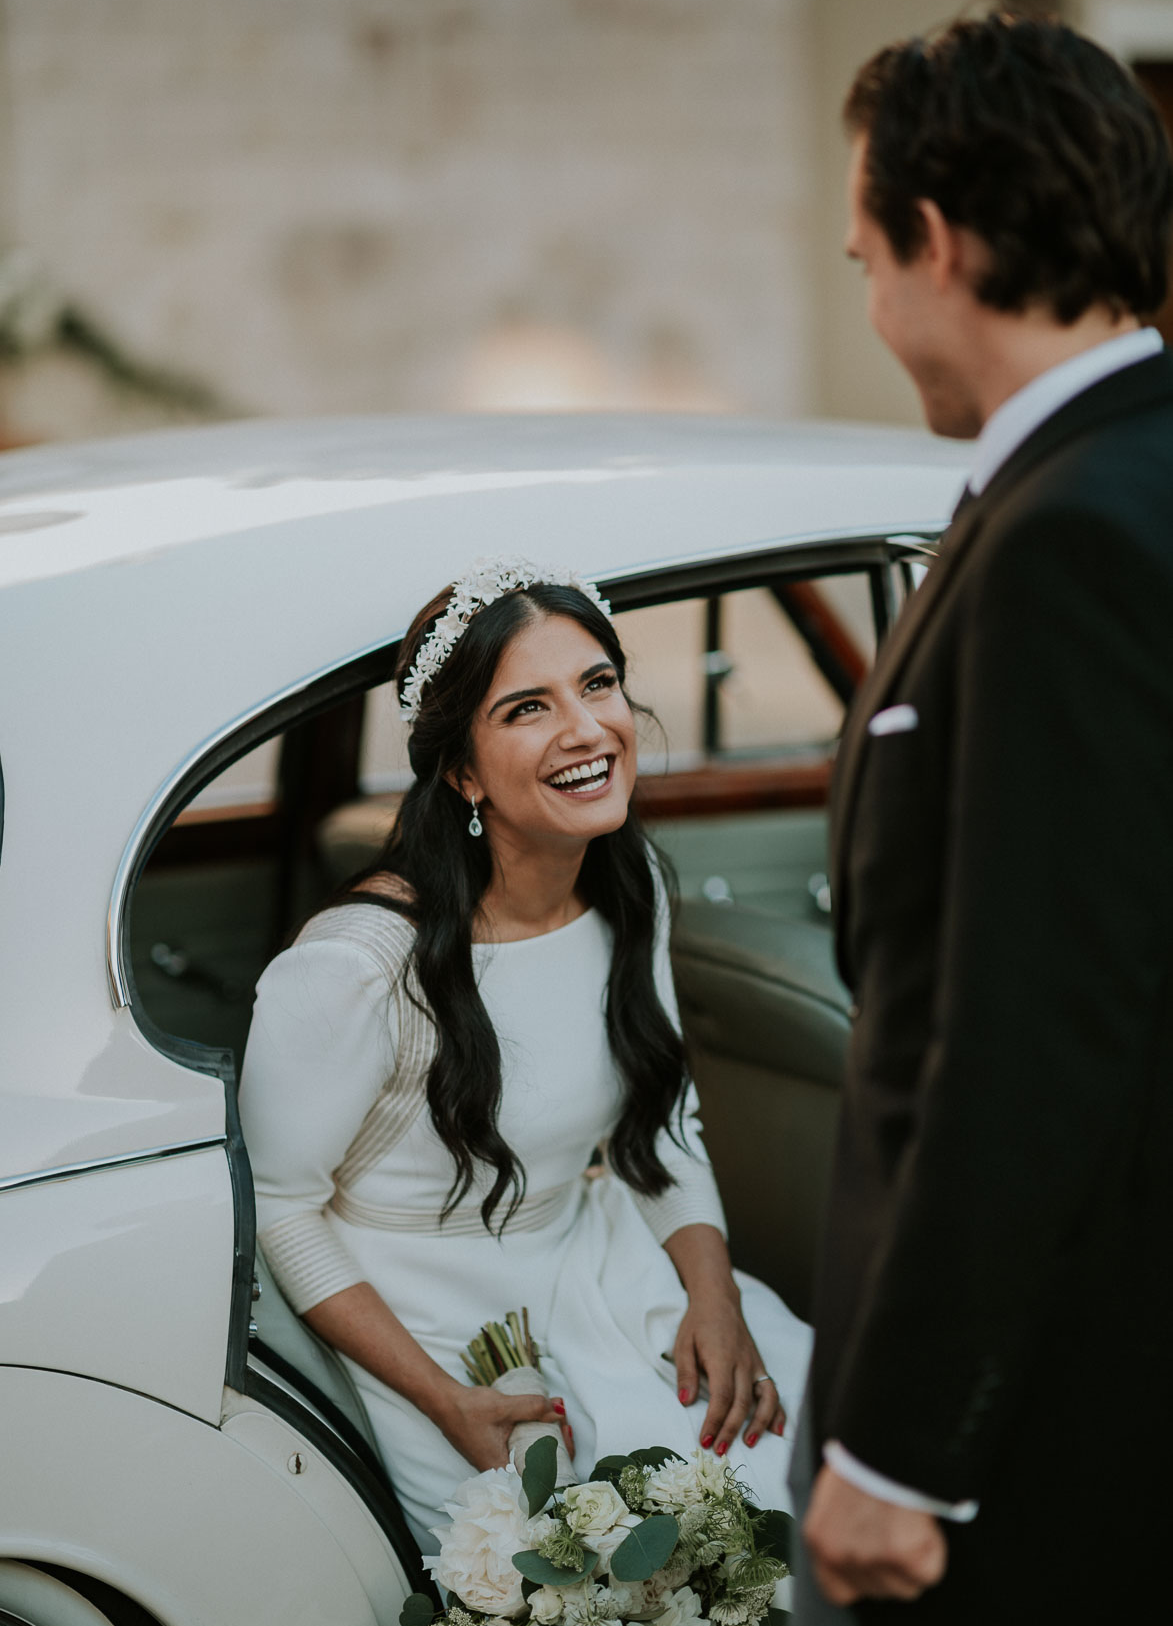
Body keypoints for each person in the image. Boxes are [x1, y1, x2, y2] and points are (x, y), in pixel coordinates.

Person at [790, 12, 1173, 1626]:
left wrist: (897, 1446)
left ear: (936, 244)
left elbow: (1025, 1031)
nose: (868, 299)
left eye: (866, 253)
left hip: (1053, 1416)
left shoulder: (1068, 535)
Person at [239, 559, 811, 1553]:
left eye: (598, 683)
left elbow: (663, 1123)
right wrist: (444, 1397)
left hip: (597, 1251)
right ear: (461, 770)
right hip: (421, 1317)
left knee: (792, 1455)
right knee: (599, 1561)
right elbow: (285, 1208)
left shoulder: (630, 890)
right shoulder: (357, 964)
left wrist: (713, 1297)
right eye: (527, 707)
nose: (588, 728)